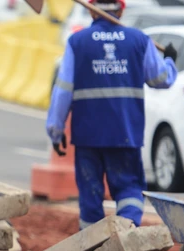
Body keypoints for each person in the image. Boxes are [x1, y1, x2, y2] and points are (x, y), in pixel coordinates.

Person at [45, 0, 177, 229]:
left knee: (90, 196)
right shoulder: (138, 40)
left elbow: (62, 91)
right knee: (128, 190)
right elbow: (161, 79)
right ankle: (127, 238)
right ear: (121, 9)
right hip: (124, 134)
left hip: (88, 136)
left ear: (90, 9)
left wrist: (56, 132)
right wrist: (170, 62)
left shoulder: (77, 42)